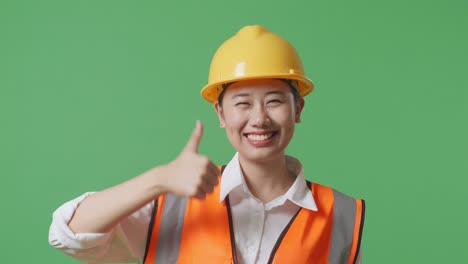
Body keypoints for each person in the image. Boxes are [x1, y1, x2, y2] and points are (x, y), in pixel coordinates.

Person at [49, 25, 365, 264]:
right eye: (243, 103)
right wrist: (160, 178)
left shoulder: (342, 214)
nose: (259, 119)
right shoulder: (172, 202)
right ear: (220, 113)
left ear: (297, 109)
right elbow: (68, 234)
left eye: (274, 101)